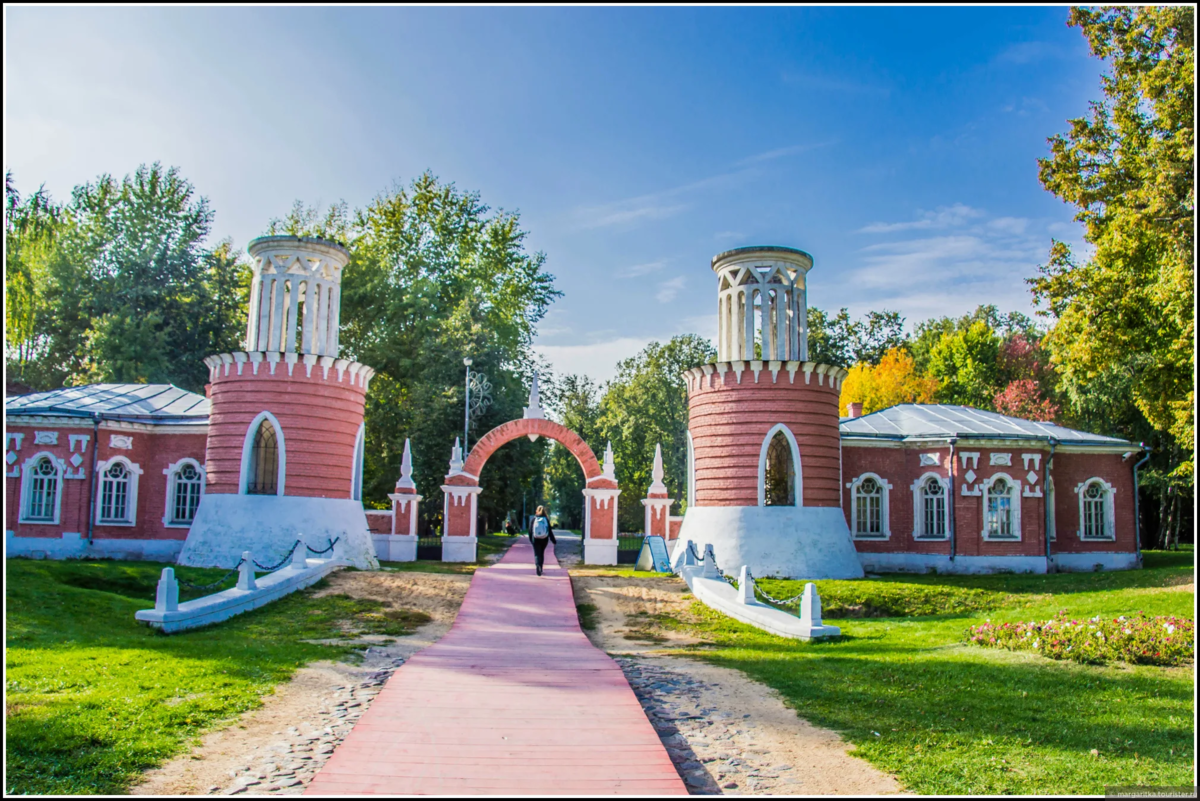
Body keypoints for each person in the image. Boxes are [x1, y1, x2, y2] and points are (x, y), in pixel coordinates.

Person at [529, 505, 556, 577]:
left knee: (537, 554)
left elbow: (530, 531)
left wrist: (531, 540)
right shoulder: (546, 519)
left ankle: (537, 565)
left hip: (535, 539)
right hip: (544, 539)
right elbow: (550, 531)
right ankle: (541, 567)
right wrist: (553, 540)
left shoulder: (534, 519)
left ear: (536, 511)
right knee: (541, 553)